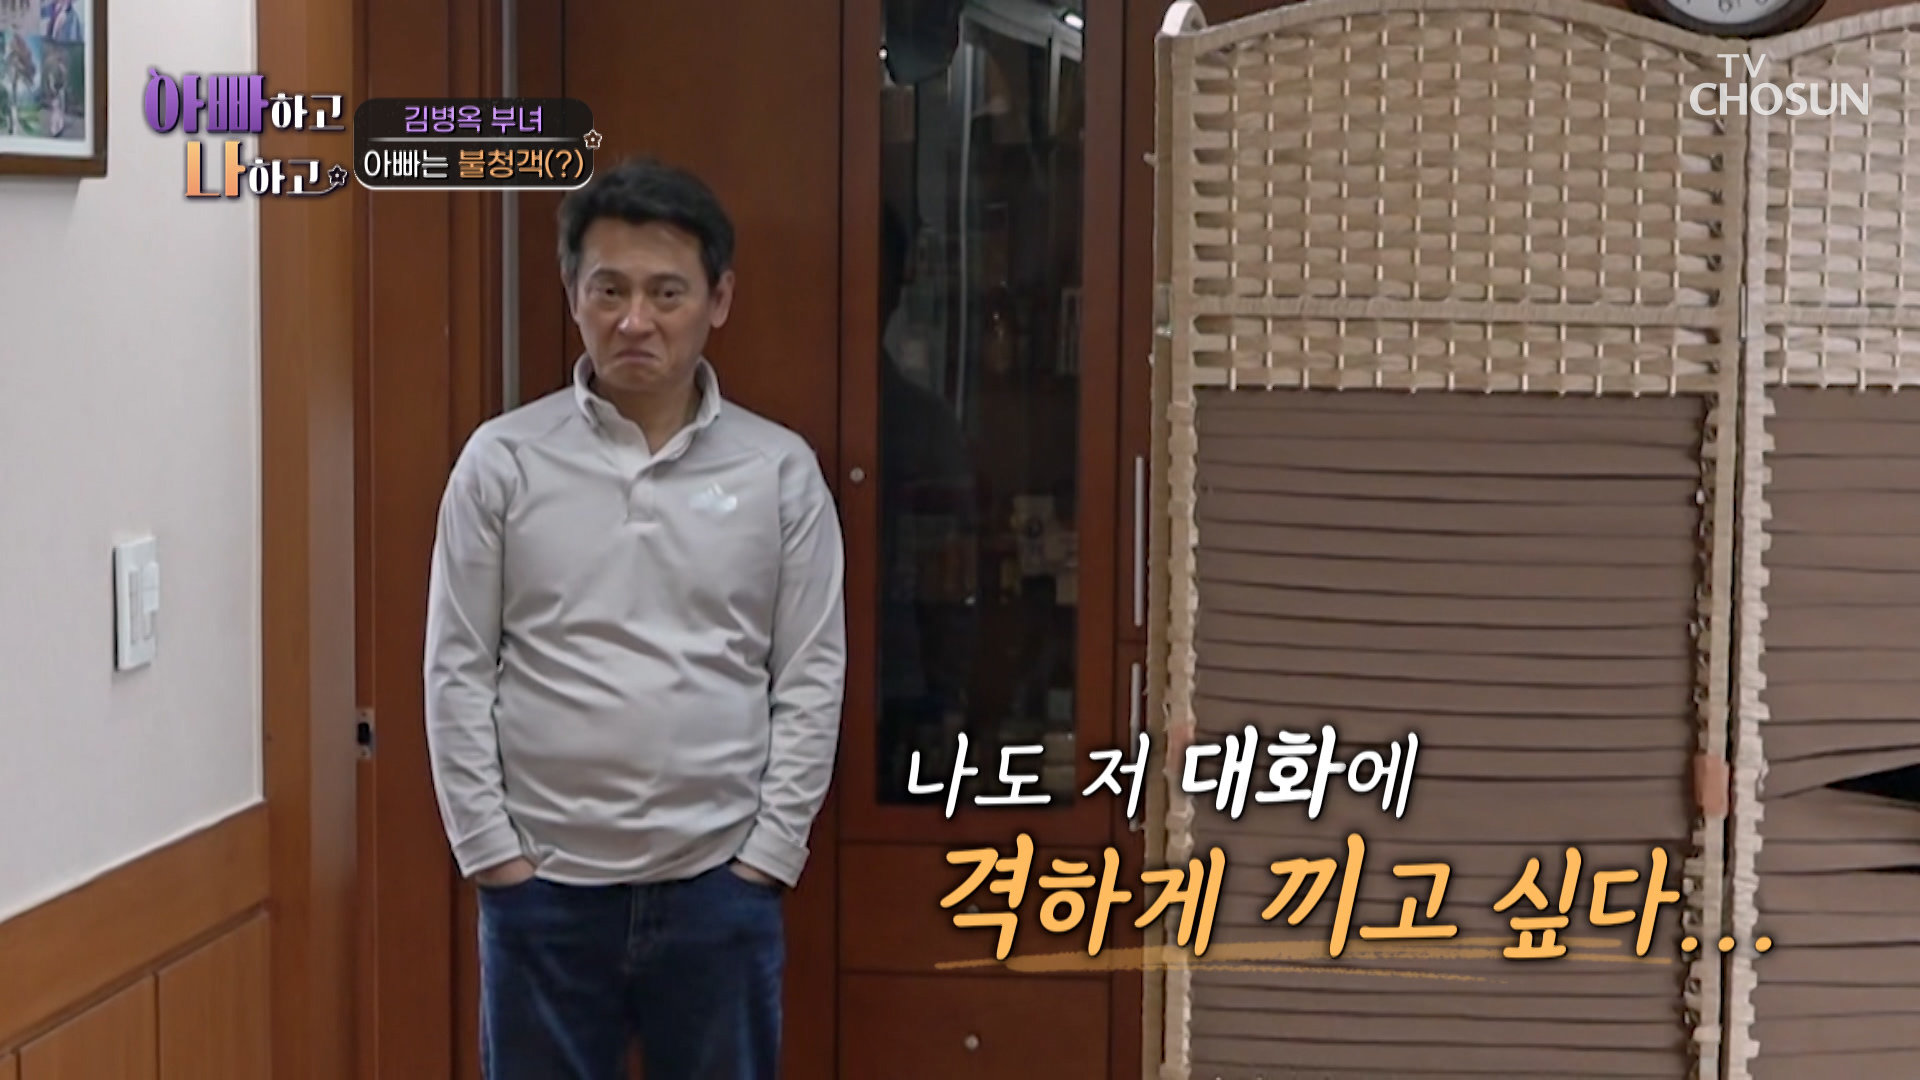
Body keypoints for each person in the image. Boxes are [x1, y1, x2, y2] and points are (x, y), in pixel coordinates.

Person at [422, 155, 847, 1080]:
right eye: (609, 289)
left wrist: (770, 854)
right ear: (572, 291)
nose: (635, 320)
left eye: (667, 292)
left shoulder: (779, 471)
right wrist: (491, 855)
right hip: (544, 890)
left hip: (718, 888)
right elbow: (456, 665)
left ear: (718, 299)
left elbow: (811, 673)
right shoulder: (503, 461)